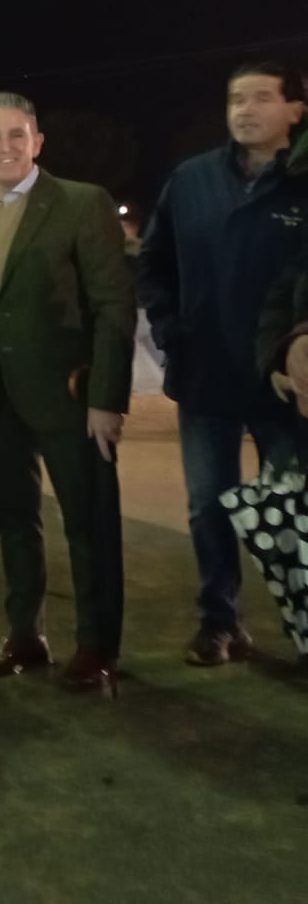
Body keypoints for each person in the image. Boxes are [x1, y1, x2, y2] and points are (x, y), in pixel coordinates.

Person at [0, 92, 135, 693]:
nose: (4, 146)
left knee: (89, 524)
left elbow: (113, 306)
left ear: (37, 142)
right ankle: (25, 636)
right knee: (14, 522)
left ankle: (97, 646)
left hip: (72, 398)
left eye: (16, 134)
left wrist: (107, 398)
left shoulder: (82, 204)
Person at [139, 62, 306, 666]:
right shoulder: (192, 179)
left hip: (285, 383)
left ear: (296, 109)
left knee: (295, 510)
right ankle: (219, 620)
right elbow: (153, 262)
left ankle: (303, 622)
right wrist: (170, 332)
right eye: (237, 99)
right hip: (206, 376)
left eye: (261, 98)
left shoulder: (303, 180)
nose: (245, 110)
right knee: (208, 505)